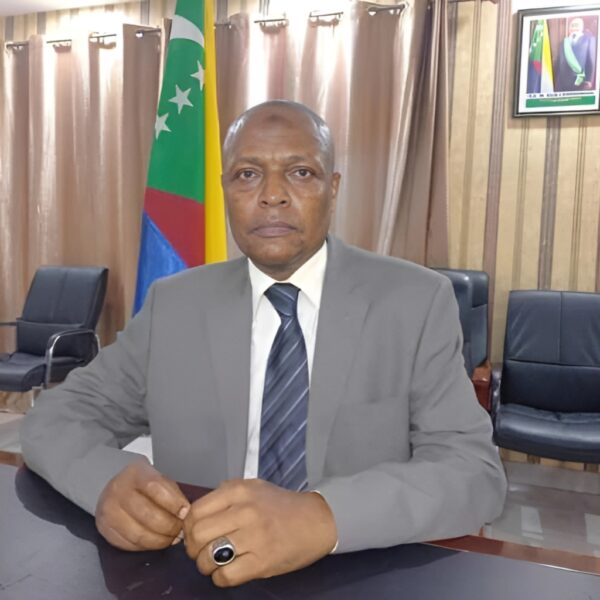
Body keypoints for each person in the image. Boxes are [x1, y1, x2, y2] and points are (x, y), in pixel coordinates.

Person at [20, 100, 507, 588]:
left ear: (333, 188)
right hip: (197, 574)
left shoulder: (415, 301)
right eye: (248, 175)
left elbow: (472, 472)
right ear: (226, 190)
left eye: (300, 172)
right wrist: (105, 482)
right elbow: (56, 418)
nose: (273, 195)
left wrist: (323, 517)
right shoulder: (175, 305)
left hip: (357, 575)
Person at [555, 17, 597, 92]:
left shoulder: (589, 39)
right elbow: (559, 62)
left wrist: (589, 80)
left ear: (582, 27)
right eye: (572, 25)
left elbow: (591, 61)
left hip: (580, 81)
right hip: (563, 83)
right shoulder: (563, 42)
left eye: (576, 25)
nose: (574, 28)